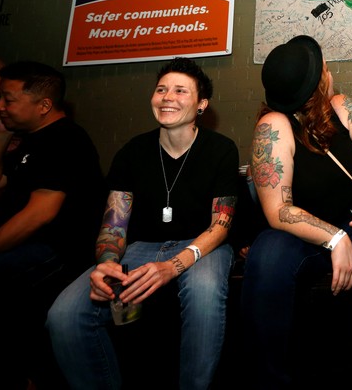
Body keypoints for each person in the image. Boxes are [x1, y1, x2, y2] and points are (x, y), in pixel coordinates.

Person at [47, 57, 239, 390]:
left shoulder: (221, 149)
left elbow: (220, 226)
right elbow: (114, 225)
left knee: (205, 293)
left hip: (202, 246)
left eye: (180, 90)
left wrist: (172, 266)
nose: (168, 97)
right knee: (63, 316)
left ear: (201, 104)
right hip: (140, 248)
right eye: (161, 89)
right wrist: (106, 264)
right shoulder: (132, 152)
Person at [242, 34, 352, 389]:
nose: (328, 69)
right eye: (323, 67)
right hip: (304, 234)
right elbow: (277, 210)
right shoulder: (273, 126)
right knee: (266, 253)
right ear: (319, 79)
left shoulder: (342, 106)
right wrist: (334, 237)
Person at [0, 61, 106, 387]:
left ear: (43, 105)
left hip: (54, 252)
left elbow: (39, 215)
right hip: (26, 247)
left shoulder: (65, 139)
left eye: (8, 99)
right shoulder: (32, 139)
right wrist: (0, 135)